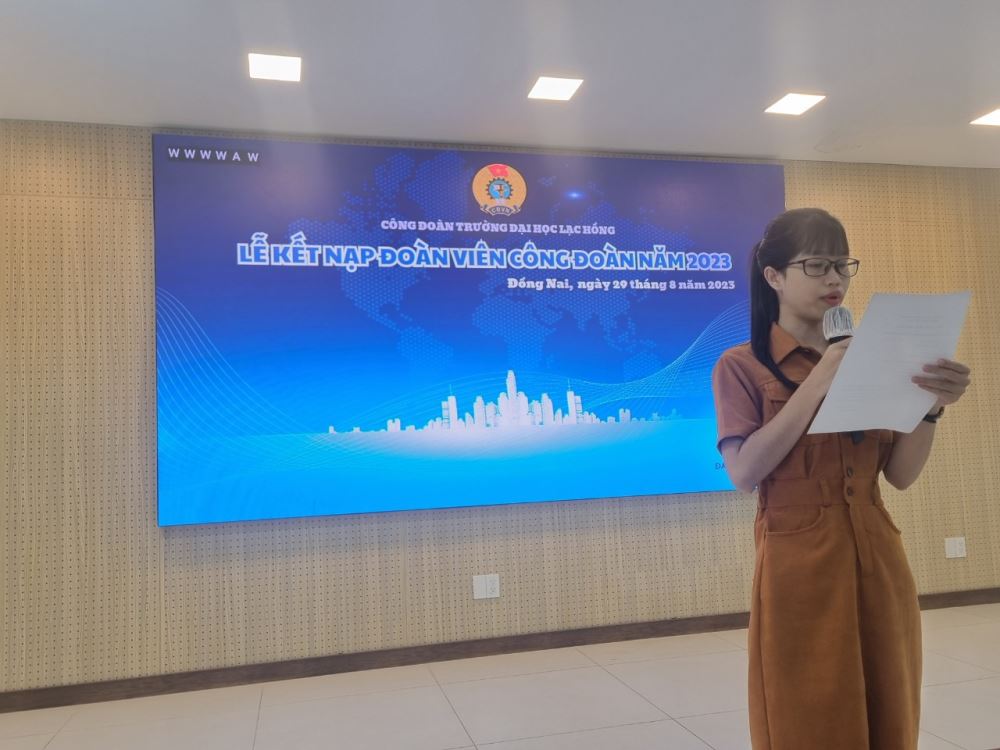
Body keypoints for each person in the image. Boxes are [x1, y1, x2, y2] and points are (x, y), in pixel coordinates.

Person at [711, 207, 971, 749]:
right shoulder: (741, 365)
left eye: (842, 265)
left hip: (878, 551)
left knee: (891, 702)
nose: (835, 279)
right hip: (798, 561)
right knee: (810, 711)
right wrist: (820, 378)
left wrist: (931, 408)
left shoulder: (877, 360)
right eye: (817, 265)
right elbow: (744, 470)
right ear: (774, 276)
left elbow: (900, 475)